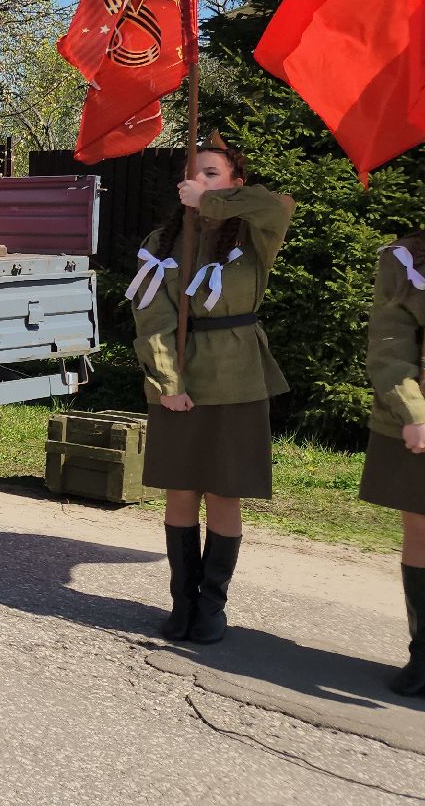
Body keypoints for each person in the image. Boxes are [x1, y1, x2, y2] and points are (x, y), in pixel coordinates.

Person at [130, 134, 294, 645]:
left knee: (224, 496)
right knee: (180, 494)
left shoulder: (255, 232)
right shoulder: (163, 241)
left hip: (238, 379)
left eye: (213, 173)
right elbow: (150, 317)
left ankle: (212, 608)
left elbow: (276, 203)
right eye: (193, 174)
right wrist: (167, 381)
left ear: (234, 183)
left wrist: (213, 203)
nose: (198, 182)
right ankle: (182, 603)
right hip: (180, 380)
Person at [360, 167, 425, 704]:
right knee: (420, 528)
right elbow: (389, 338)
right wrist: (411, 409)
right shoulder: (405, 256)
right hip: (419, 409)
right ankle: (424, 650)